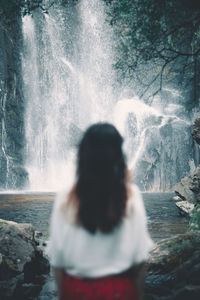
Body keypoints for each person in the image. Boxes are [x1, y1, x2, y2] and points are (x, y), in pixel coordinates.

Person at [48, 123, 153, 300]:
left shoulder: (66, 197)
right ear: (119, 157)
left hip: (77, 291)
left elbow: (58, 263)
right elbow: (141, 260)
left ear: (82, 156)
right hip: (120, 292)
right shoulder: (131, 195)